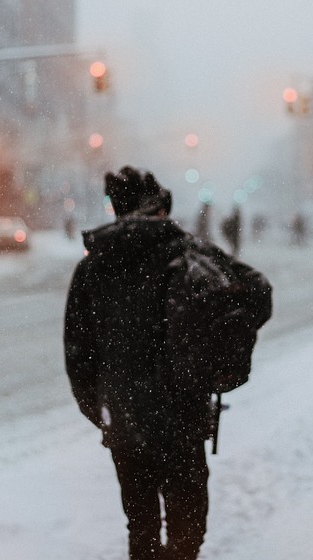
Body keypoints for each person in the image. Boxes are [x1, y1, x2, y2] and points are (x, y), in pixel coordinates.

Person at [64, 166, 214, 560]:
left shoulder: (92, 267)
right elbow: (250, 294)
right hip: (182, 414)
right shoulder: (186, 255)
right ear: (157, 208)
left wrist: (99, 409)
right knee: (187, 523)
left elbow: (78, 354)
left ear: (115, 209)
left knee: (142, 524)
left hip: (127, 418)